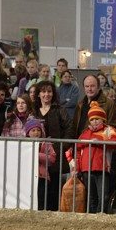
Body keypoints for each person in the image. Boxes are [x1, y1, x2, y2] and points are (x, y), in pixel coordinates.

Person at [76, 101, 116, 214]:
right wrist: (77, 168)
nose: (95, 122)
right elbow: (78, 150)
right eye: (92, 119)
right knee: (91, 197)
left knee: (103, 196)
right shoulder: (85, 133)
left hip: (102, 169)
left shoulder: (109, 130)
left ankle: (100, 216)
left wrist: (100, 142)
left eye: (97, 119)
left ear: (103, 119)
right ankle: (93, 217)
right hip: (86, 169)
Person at [33, 80, 71, 211]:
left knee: (54, 191)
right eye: (43, 91)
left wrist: (61, 147)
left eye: (49, 91)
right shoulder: (33, 111)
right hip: (37, 159)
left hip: (55, 158)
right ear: (38, 94)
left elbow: (69, 130)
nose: (46, 94)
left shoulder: (60, 110)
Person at [70, 74, 116, 140]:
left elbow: (114, 128)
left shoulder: (110, 104)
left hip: (99, 146)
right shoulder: (80, 105)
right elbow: (74, 128)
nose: (89, 89)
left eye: (92, 86)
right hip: (81, 146)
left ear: (98, 87)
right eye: (87, 86)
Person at [24, 116, 57, 211]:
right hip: (27, 176)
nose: (36, 133)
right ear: (28, 133)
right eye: (33, 130)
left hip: (42, 176)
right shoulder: (23, 144)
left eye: (38, 130)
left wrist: (36, 154)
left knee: (41, 198)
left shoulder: (46, 143)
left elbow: (52, 158)